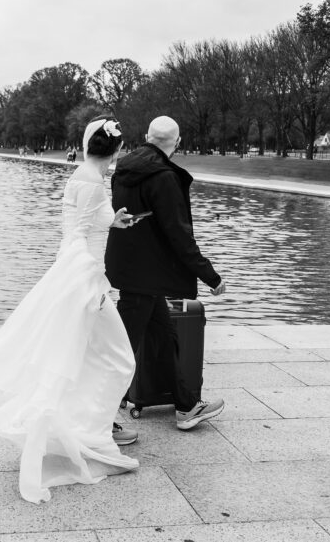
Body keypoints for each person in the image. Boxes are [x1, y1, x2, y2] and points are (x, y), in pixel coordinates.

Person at [0, 116, 143, 503]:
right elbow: (77, 235)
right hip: (85, 279)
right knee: (117, 360)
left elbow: (88, 222)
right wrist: (92, 283)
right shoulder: (93, 180)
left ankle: (82, 433)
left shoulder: (84, 174)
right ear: (114, 149)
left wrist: (117, 221)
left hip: (78, 276)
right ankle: (90, 438)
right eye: (120, 147)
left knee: (82, 361)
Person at [105, 115, 227, 431]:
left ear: (147, 135)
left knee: (164, 338)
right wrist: (210, 275)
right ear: (178, 142)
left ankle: (186, 406)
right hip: (145, 275)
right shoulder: (164, 177)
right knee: (121, 347)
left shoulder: (124, 167)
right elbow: (179, 235)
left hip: (132, 270)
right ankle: (98, 416)